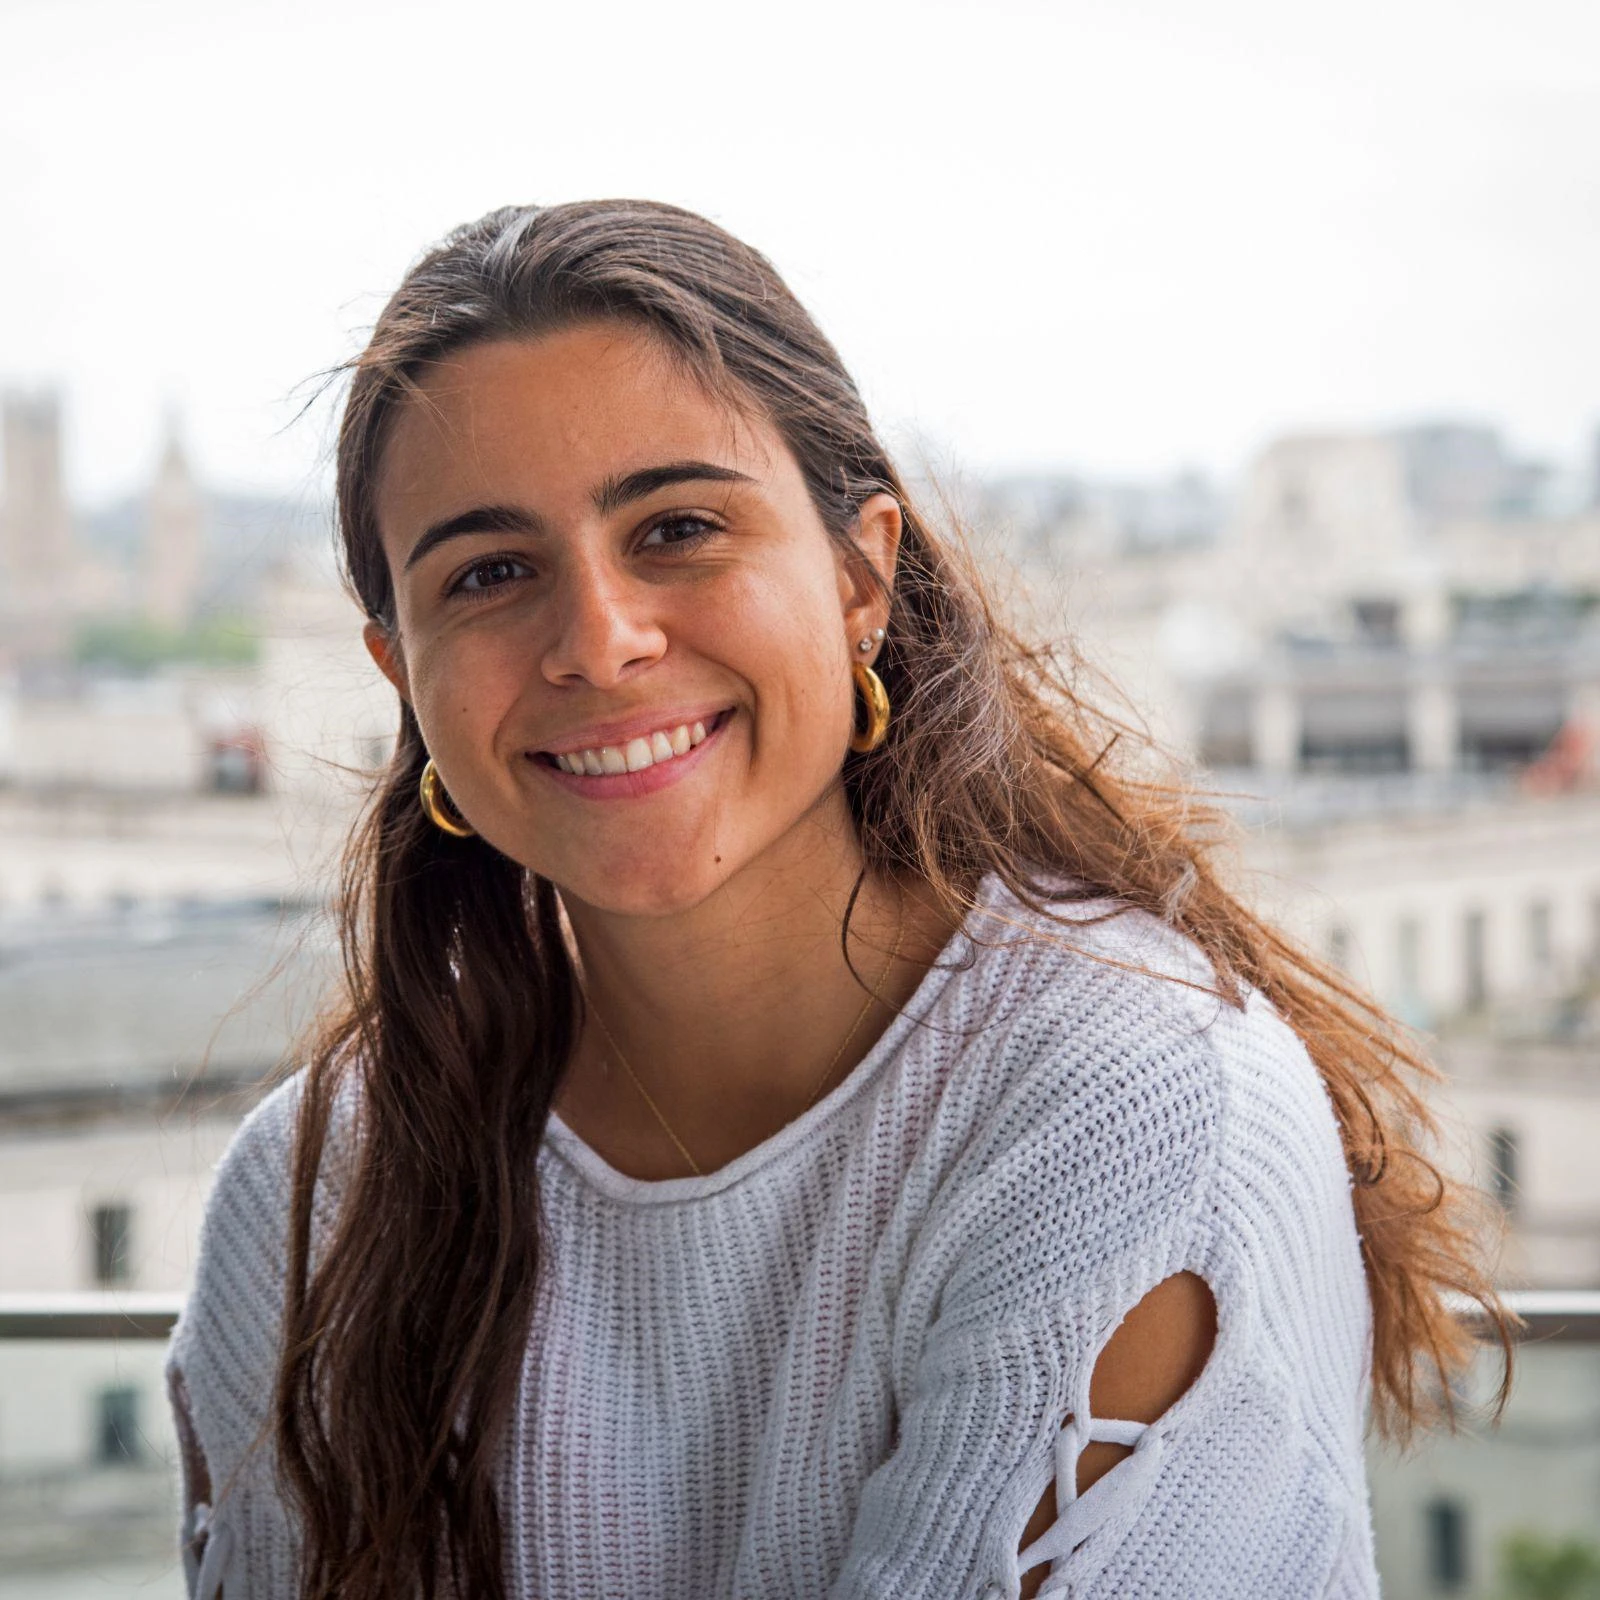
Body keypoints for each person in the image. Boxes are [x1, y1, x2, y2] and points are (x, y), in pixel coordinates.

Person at [165, 198, 1513, 1600]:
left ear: (862, 576)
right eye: (490, 573)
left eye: (678, 528)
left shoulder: (1135, 1108)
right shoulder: (319, 1184)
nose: (600, 643)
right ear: (404, 674)